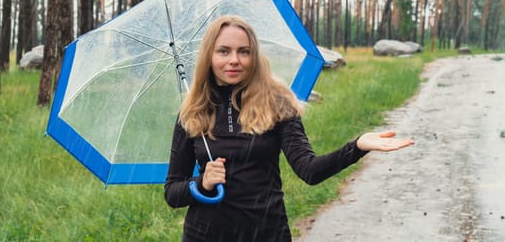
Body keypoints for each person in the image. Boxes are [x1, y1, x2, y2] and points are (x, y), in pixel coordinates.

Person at [164, 15, 414, 242]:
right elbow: (173, 193)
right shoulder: (192, 114)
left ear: (255, 56)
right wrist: (201, 183)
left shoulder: (277, 105)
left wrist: (357, 146)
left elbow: (310, 171)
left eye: (244, 51)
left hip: (266, 232)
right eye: (223, 51)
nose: (234, 60)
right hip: (204, 235)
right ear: (209, 56)